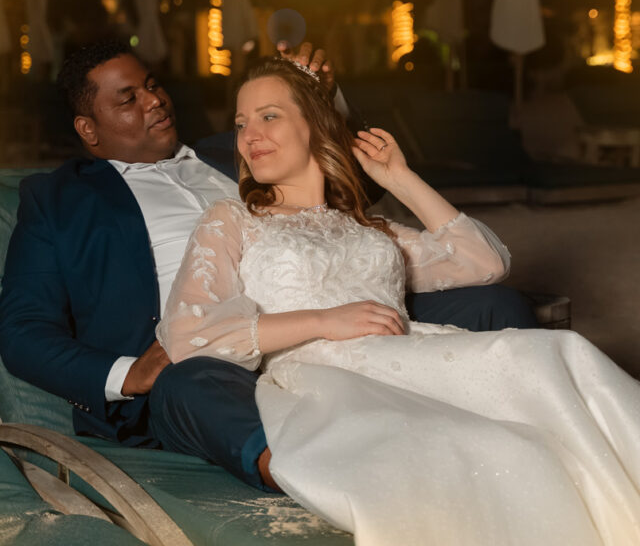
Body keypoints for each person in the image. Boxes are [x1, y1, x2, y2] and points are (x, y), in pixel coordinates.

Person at [0, 40, 534, 494]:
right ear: (88, 129)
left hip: (334, 305)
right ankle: (314, 477)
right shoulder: (59, 199)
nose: (155, 100)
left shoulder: (233, 150)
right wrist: (128, 374)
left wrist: (322, 95)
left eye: (153, 84)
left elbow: (344, 198)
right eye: (129, 99)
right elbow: (22, 331)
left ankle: (534, 432)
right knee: (189, 383)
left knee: (496, 304)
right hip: (203, 358)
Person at [157, 57, 640, 545]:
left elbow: (485, 261)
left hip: (414, 351)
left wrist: (400, 178)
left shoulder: (369, 226)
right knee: (507, 450)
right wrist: (324, 320)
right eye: (240, 123)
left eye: (268, 116)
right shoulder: (233, 219)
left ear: (316, 126)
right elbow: (190, 331)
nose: (249, 135)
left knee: (556, 356)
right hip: (330, 380)